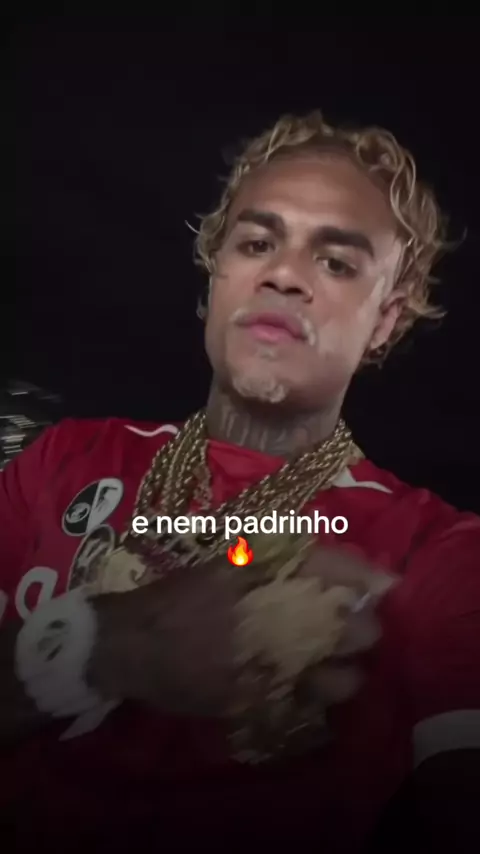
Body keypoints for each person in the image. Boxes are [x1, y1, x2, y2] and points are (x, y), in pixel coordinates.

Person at [1, 111, 479, 853]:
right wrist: (103, 644)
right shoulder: (62, 458)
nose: (283, 274)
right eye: (257, 243)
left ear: (385, 321)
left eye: (336, 263)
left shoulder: (439, 552)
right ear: (214, 276)